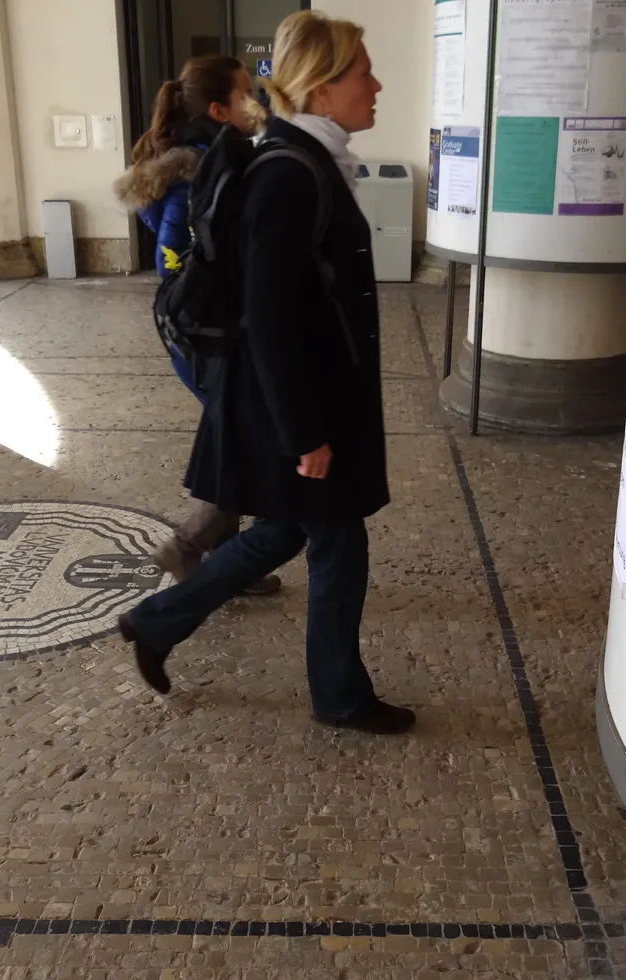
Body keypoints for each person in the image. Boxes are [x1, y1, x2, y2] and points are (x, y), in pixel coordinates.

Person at [118, 11, 415, 735]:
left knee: (287, 528)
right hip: (299, 403)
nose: (377, 85)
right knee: (337, 542)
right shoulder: (289, 173)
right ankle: (339, 696)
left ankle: (157, 622)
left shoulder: (308, 159)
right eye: (362, 73)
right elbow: (271, 314)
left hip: (308, 394)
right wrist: (304, 432)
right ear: (320, 87)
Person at [113, 55, 278, 595]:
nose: (256, 101)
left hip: (203, 329)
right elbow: (176, 259)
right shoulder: (199, 171)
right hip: (204, 333)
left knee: (233, 437)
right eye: (245, 93)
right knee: (245, 437)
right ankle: (188, 549)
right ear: (218, 110)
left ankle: (225, 564)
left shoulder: (204, 159)